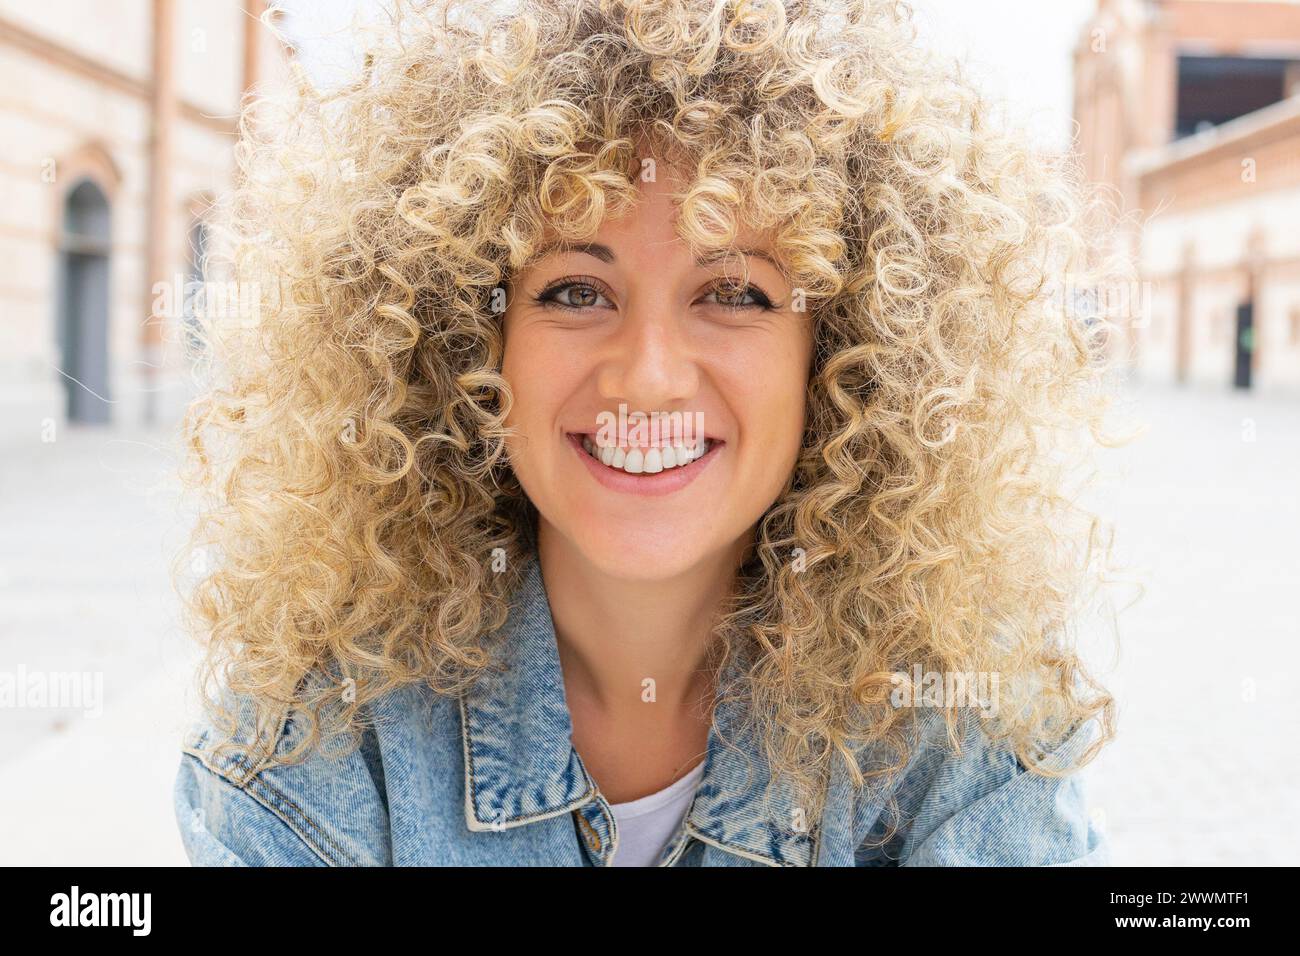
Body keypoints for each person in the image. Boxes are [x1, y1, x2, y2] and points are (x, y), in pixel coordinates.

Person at [173, 0, 1120, 866]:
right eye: (575, 291)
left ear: (842, 356)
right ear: (464, 341)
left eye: (735, 292)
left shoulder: (955, 722)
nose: (651, 374)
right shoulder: (319, 725)